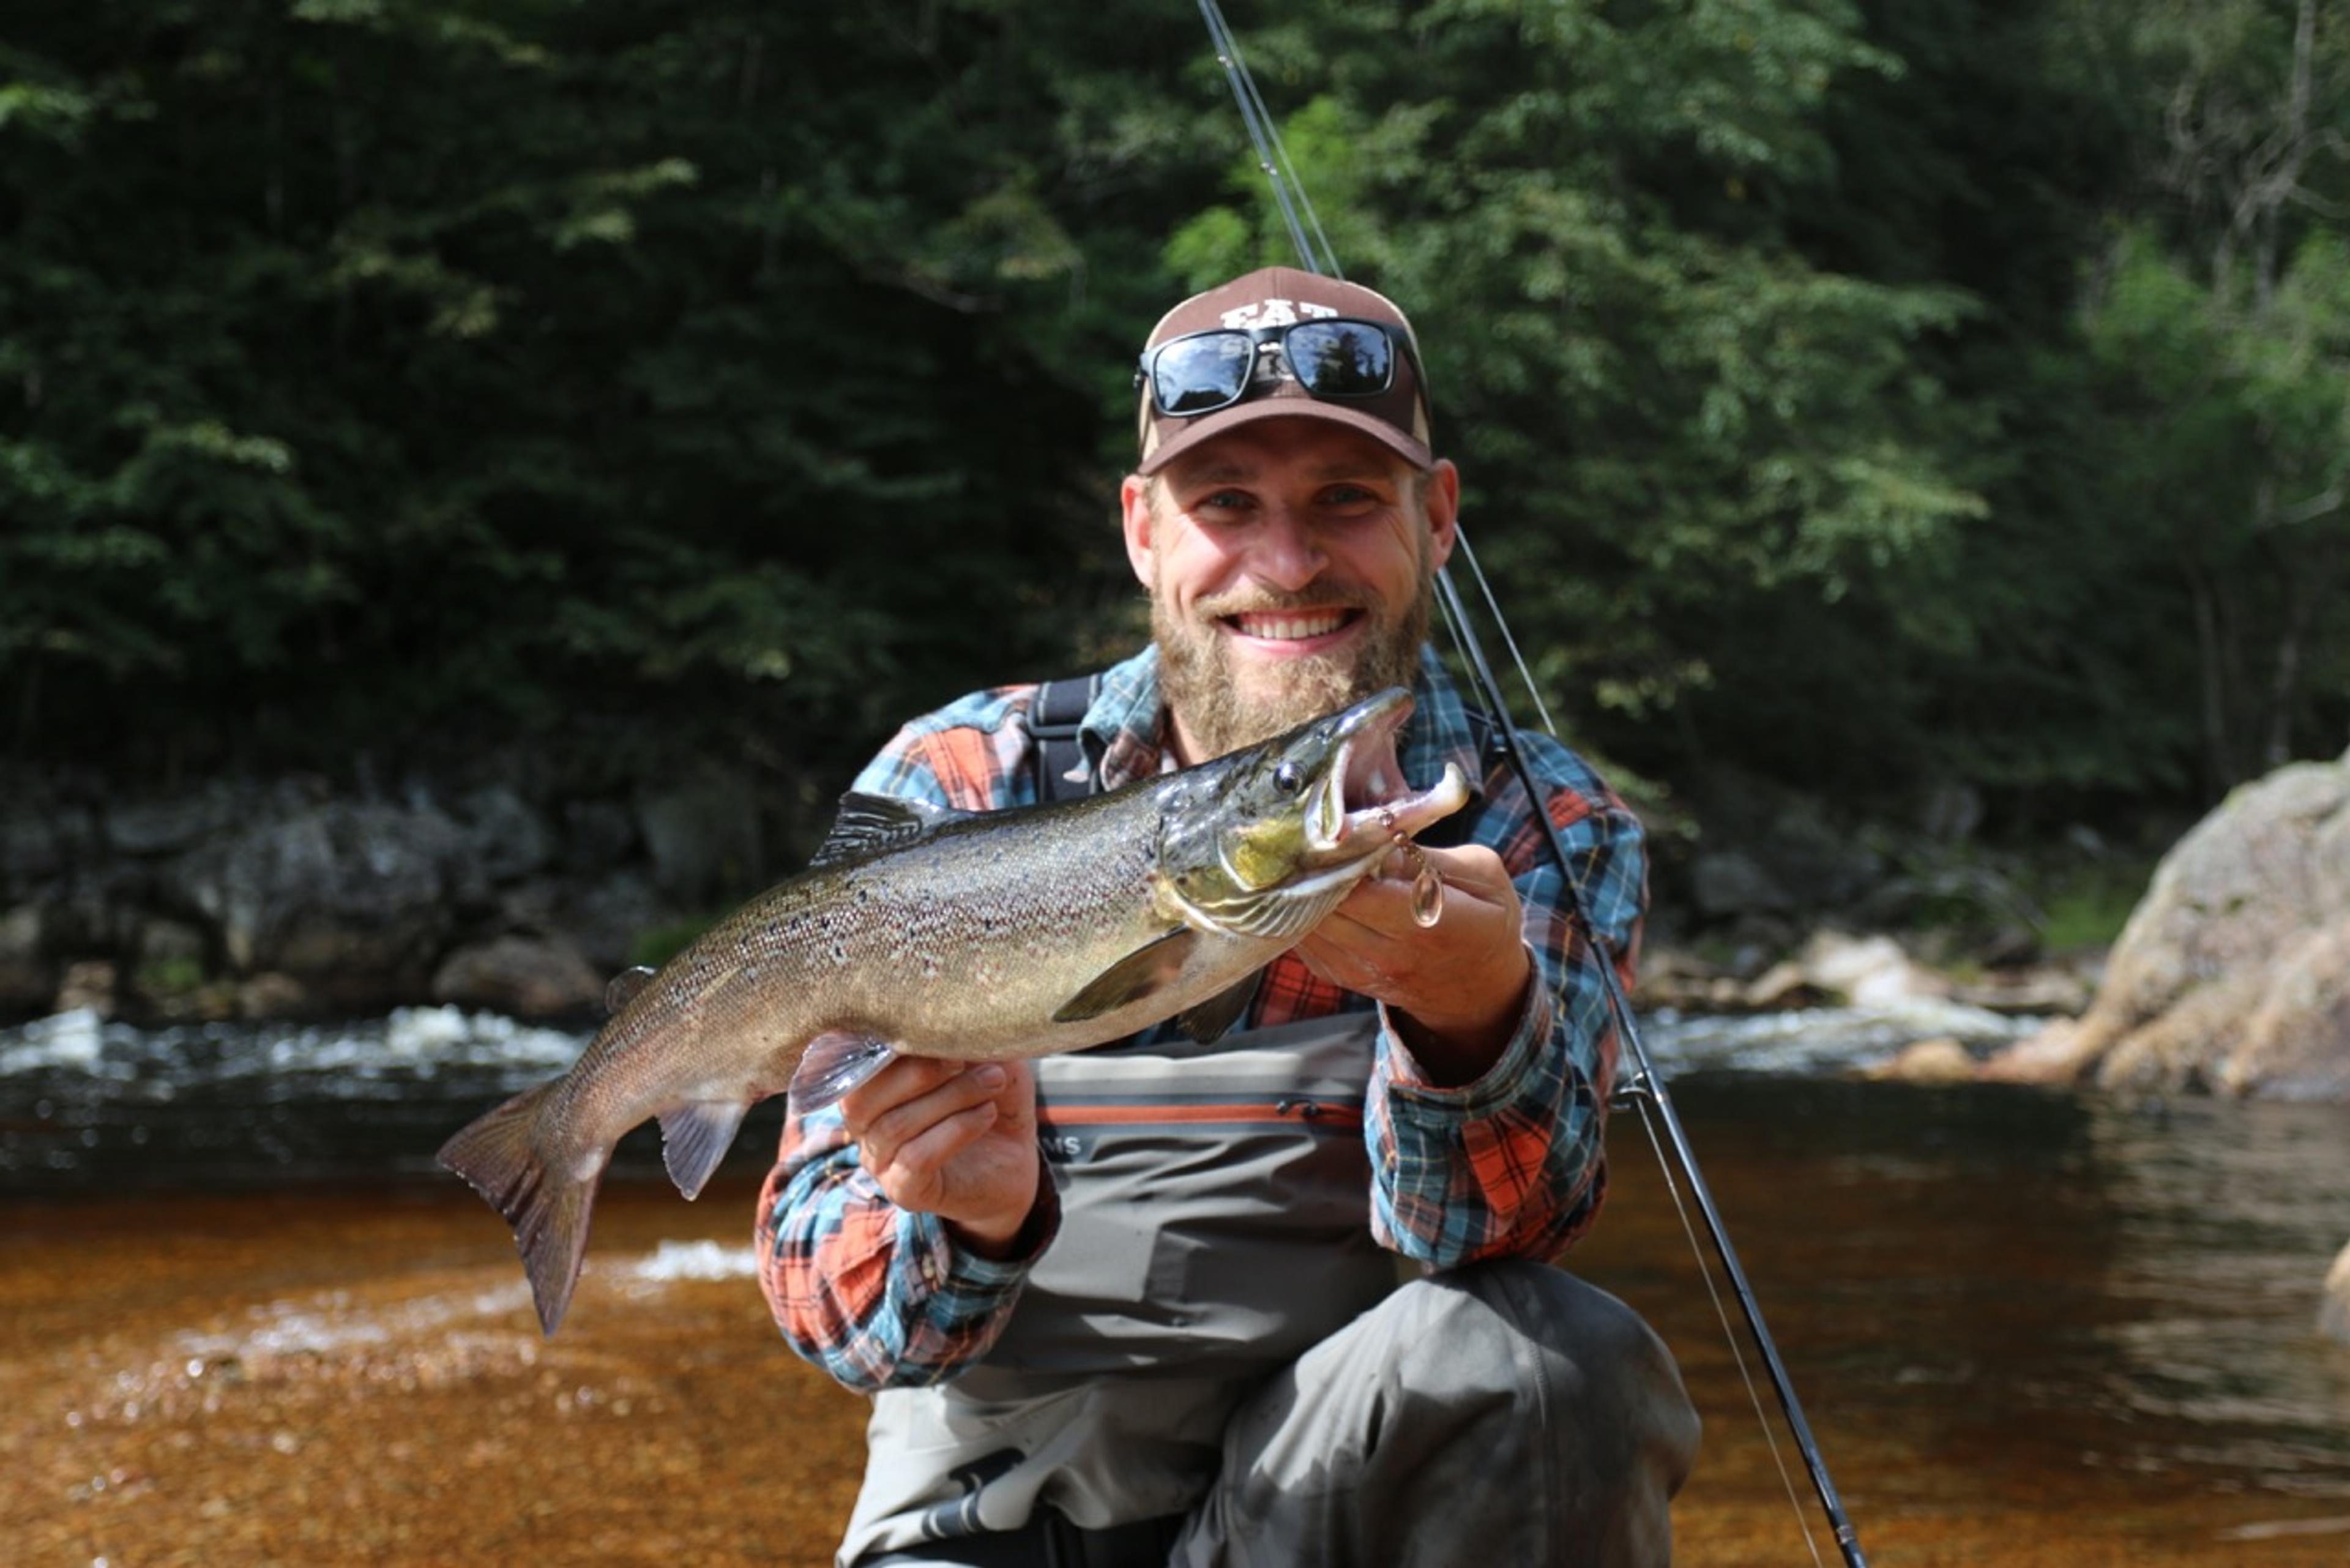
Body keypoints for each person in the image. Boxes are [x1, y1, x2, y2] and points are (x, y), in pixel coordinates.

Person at [756, 266, 1700, 1567]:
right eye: (1229, 505)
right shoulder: (960, 785)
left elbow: (1502, 1257)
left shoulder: (1536, 822)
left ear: (1438, 518)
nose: (1288, 563)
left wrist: (1470, 1023)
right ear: (1145, 531)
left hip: (1330, 1514)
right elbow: (837, 1330)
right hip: (996, 1520)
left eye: (1347, 501)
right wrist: (966, 1219)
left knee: (1559, 1361)